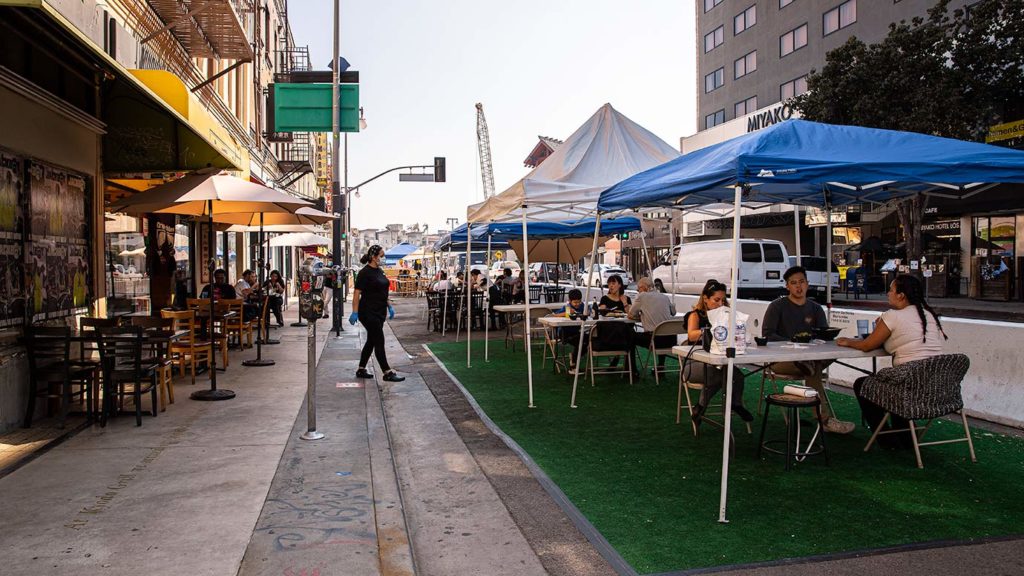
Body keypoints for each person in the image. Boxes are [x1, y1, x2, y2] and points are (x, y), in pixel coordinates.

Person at [837, 274, 948, 444]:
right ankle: (905, 436)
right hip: (937, 385)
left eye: (891, 290)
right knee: (894, 384)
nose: (888, 293)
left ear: (901, 295)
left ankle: (884, 437)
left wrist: (848, 341)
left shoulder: (892, 315)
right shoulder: (929, 316)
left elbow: (867, 345)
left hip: (908, 382)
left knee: (863, 384)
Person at [762, 265, 855, 434]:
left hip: (811, 357)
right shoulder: (777, 306)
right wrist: (793, 342)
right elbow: (767, 335)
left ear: (808, 283)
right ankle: (824, 420)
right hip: (781, 360)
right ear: (787, 286)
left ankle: (823, 417)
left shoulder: (815, 308)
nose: (798, 286)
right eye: (793, 283)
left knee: (815, 363)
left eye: (802, 282)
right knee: (812, 368)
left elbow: (824, 335)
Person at [682, 280, 753, 427]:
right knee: (723, 374)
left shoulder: (727, 314)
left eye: (723, 300)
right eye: (716, 300)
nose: (720, 303)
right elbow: (691, 335)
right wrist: (712, 331)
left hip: (720, 363)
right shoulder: (696, 315)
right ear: (705, 299)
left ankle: (703, 407)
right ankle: (729, 404)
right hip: (695, 362)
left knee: (733, 373)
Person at [349, 245, 405, 382]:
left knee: (371, 340)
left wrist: (389, 306)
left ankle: (361, 369)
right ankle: (387, 372)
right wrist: (354, 312)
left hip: (380, 311)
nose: (383, 258)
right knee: (379, 340)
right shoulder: (364, 273)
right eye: (381, 255)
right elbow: (357, 293)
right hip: (367, 312)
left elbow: (383, 291)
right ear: (373, 257)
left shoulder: (379, 271)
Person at [627, 277, 677, 377]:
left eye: (638, 289)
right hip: (671, 339)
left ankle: (632, 370)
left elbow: (630, 314)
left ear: (644, 288)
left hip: (653, 340)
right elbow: (673, 312)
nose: (638, 291)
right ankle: (660, 366)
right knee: (661, 330)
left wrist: (641, 316)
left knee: (630, 336)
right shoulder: (664, 297)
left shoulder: (642, 297)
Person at [550, 288, 587, 372]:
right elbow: (554, 315)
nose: (577, 304)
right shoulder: (567, 307)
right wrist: (566, 313)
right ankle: (573, 363)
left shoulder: (582, 306)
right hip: (564, 333)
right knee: (581, 342)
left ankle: (574, 357)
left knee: (588, 340)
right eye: (575, 302)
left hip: (577, 331)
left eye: (579, 302)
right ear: (570, 301)